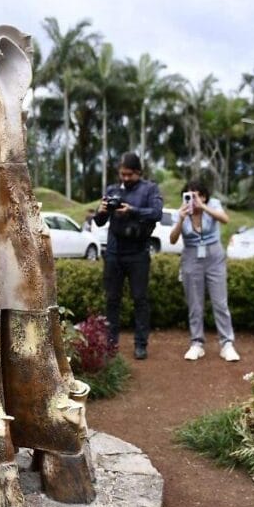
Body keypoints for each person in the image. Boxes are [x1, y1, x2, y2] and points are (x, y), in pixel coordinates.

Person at [92, 152, 163, 360]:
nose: (125, 178)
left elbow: (157, 213)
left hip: (138, 253)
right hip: (114, 253)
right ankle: (111, 345)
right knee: (112, 300)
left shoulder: (150, 189)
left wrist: (132, 210)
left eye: (129, 175)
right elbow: (99, 222)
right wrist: (102, 210)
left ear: (138, 173)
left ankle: (141, 344)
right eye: (122, 174)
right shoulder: (112, 190)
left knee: (140, 300)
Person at [170, 180, 240, 362]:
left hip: (214, 256)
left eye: (198, 195)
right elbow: (172, 239)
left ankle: (227, 344)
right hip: (191, 257)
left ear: (204, 196)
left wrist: (203, 208)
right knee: (194, 303)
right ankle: (196, 343)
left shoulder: (213, 204)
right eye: (190, 195)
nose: (194, 199)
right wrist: (181, 219)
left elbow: (225, 219)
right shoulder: (181, 211)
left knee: (220, 302)